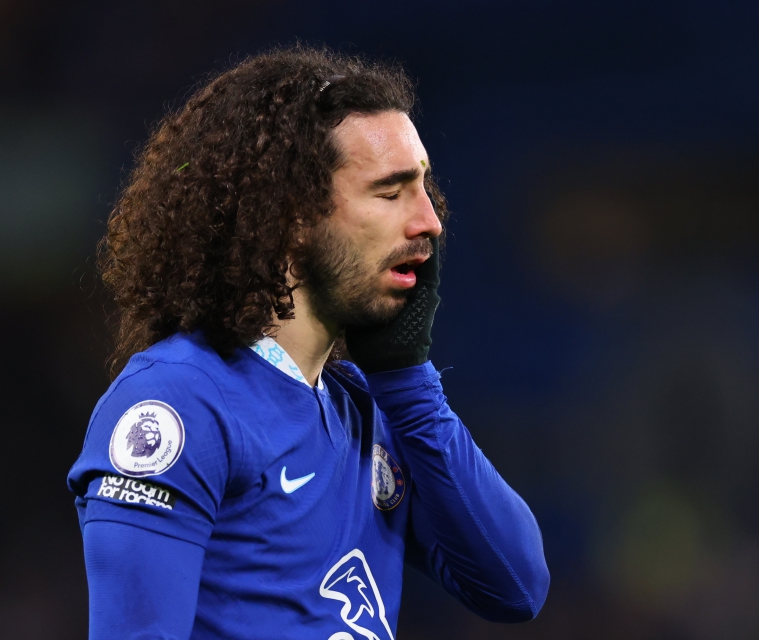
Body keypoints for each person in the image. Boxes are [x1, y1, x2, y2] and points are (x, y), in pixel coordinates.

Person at [67, 46, 549, 640]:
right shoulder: (180, 402)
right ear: (291, 214)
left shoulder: (368, 409)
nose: (430, 221)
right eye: (390, 192)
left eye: (424, 187)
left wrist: (408, 381)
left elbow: (515, 586)